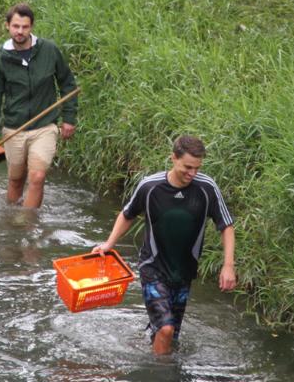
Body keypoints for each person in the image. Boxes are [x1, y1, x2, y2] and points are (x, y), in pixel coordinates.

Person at [92, 135, 236, 355]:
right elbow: (127, 214)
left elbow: (226, 225)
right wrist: (109, 244)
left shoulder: (206, 188)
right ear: (173, 158)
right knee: (167, 330)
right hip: (153, 268)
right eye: (187, 167)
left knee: (171, 335)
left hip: (184, 272)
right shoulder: (150, 186)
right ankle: (161, 374)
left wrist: (228, 265)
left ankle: (154, 348)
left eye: (197, 168)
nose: (193, 173)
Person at [0, 3, 78, 209]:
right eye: (16, 26)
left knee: (37, 176)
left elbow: (68, 84)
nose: (20, 31)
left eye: (25, 27)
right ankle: (11, 223)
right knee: (16, 179)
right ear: (7, 26)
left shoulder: (49, 50)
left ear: (31, 26)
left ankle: (26, 226)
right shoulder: (0, 58)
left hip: (44, 126)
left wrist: (69, 118)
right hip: (14, 128)